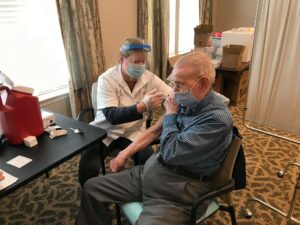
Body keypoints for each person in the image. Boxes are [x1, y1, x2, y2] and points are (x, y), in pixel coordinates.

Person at [75, 51, 233, 225]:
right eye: (173, 83)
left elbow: (171, 152)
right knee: (92, 188)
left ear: (202, 83)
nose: (174, 91)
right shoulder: (189, 100)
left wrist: (171, 115)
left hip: (179, 190)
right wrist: (123, 155)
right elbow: (154, 131)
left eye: (179, 84)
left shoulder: (217, 119)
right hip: (152, 171)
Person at [78, 37, 172, 187]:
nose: (141, 66)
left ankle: (138, 190)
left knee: (148, 161)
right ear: (122, 60)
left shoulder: (149, 78)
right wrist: (143, 106)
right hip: (105, 131)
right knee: (87, 165)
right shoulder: (107, 79)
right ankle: (89, 193)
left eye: (143, 61)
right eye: (136, 62)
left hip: (133, 131)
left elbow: (171, 94)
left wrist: (175, 99)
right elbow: (112, 116)